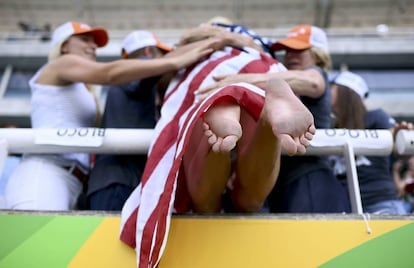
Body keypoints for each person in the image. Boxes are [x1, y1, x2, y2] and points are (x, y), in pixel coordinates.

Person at [119, 22, 315, 267]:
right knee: (250, 200)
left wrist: (212, 43)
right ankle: (264, 117)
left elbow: (158, 69)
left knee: (205, 201)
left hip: (205, 85)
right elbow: (315, 83)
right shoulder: (257, 51)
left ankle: (223, 105)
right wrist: (247, 60)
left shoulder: (197, 52)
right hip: (258, 81)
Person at [4, 21, 218, 211]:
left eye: (94, 42)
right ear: (64, 45)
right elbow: (109, 73)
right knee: (39, 251)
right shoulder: (61, 64)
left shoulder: (84, 90)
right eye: (84, 39)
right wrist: (175, 61)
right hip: (46, 173)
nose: (93, 46)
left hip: (76, 181)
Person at [195, 24, 351, 213]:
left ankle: (264, 107)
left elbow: (313, 83)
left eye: (299, 50)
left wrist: (239, 81)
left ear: (318, 54)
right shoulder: (282, 71)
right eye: (288, 50)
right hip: (275, 178)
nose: (291, 55)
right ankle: (264, 114)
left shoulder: (316, 72)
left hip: (306, 175)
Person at [86, 30, 173, 211]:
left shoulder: (130, 82)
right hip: (119, 183)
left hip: (119, 182)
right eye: (162, 55)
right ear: (149, 52)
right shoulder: (131, 73)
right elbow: (149, 70)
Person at [329, 70, 407, 214]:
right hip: (347, 210)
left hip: (381, 205)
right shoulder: (331, 128)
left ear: (346, 91)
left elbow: (400, 147)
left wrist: (402, 135)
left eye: (332, 86)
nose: (327, 92)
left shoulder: (376, 117)